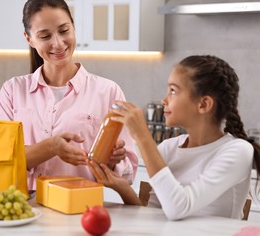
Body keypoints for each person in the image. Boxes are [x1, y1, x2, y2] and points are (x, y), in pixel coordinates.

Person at [88, 55, 260, 220]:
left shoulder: (237, 151)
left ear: (203, 104)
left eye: (173, 91)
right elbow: (154, 215)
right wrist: (123, 188)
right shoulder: (169, 147)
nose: (164, 100)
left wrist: (142, 135)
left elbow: (179, 208)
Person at [0, 0, 138, 190]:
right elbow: (1, 159)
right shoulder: (13, 91)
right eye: (45, 36)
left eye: (64, 31)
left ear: (73, 27)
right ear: (29, 39)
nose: (58, 43)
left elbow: (128, 171)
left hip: (82, 210)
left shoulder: (108, 92)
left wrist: (114, 160)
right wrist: (52, 147)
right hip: (25, 211)